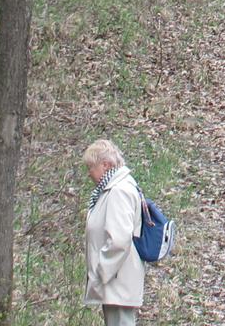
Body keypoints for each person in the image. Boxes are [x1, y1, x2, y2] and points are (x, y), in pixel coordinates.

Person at [82, 139, 144, 325]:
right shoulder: (111, 190)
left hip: (117, 280)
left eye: (90, 167)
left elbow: (119, 239)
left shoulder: (118, 191)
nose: (88, 174)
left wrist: (102, 272)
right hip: (115, 280)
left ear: (105, 165)